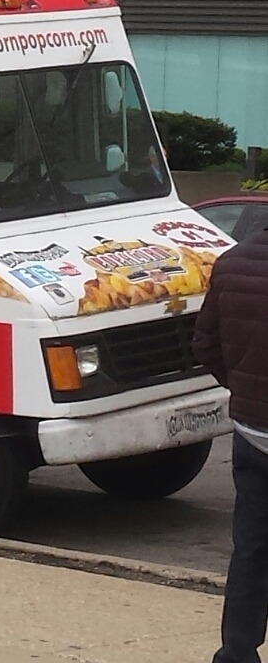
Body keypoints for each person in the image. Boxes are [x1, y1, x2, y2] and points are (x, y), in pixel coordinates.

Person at [192, 222, 268, 663]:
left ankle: (237, 652)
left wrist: (240, 387)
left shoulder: (232, 263)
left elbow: (204, 344)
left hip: (253, 431)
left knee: (252, 548)